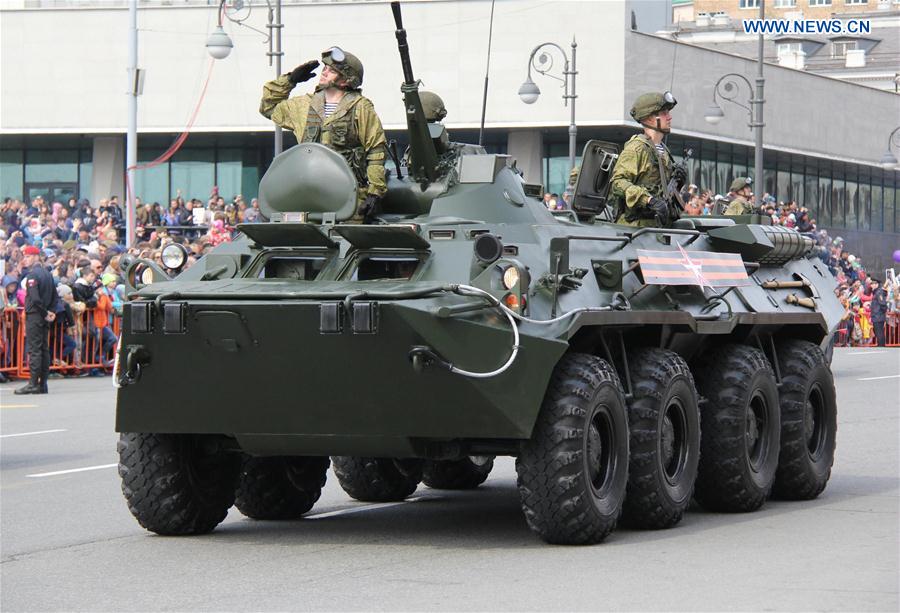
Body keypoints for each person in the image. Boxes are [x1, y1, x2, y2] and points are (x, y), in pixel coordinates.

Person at [259, 46, 387, 222]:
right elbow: (268, 106)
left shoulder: (360, 108)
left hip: (348, 198)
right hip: (306, 195)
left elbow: (376, 151)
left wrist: (375, 193)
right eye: (325, 68)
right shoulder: (304, 106)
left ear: (345, 80)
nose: (325, 72)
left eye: (332, 70)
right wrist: (290, 80)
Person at [610, 91, 686, 227]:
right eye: (664, 113)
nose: (669, 117)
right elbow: (617, 183)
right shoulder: (637, 148)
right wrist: (649, 200)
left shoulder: (664, 151)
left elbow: (663, 191)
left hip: (660, 226)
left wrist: (678, 182)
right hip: (637, 228)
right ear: (649, 118)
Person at [15, 245, 57, 395]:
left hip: (36, 315)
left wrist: (45, 312)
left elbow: (34, 298)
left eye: (27, 256)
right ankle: (43, 384)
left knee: (35, 350)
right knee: (43, 349)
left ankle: (33, 383)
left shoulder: (33, 275)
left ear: (35, 257)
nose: (25, 260)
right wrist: (51, 311)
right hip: (44, 315)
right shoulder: (47, 274)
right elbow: (54, 295)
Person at [870, 278, 888, 347]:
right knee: (879, 332)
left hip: (878, 316)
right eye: (871, 284)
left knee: (879, 332)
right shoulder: (877, 292)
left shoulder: (878, 293)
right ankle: (881, 345)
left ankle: (881, 346)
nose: (871, 285)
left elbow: (883, 304)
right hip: (877, 315)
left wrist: (881, 312)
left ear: (876, 284)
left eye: (873, 284)